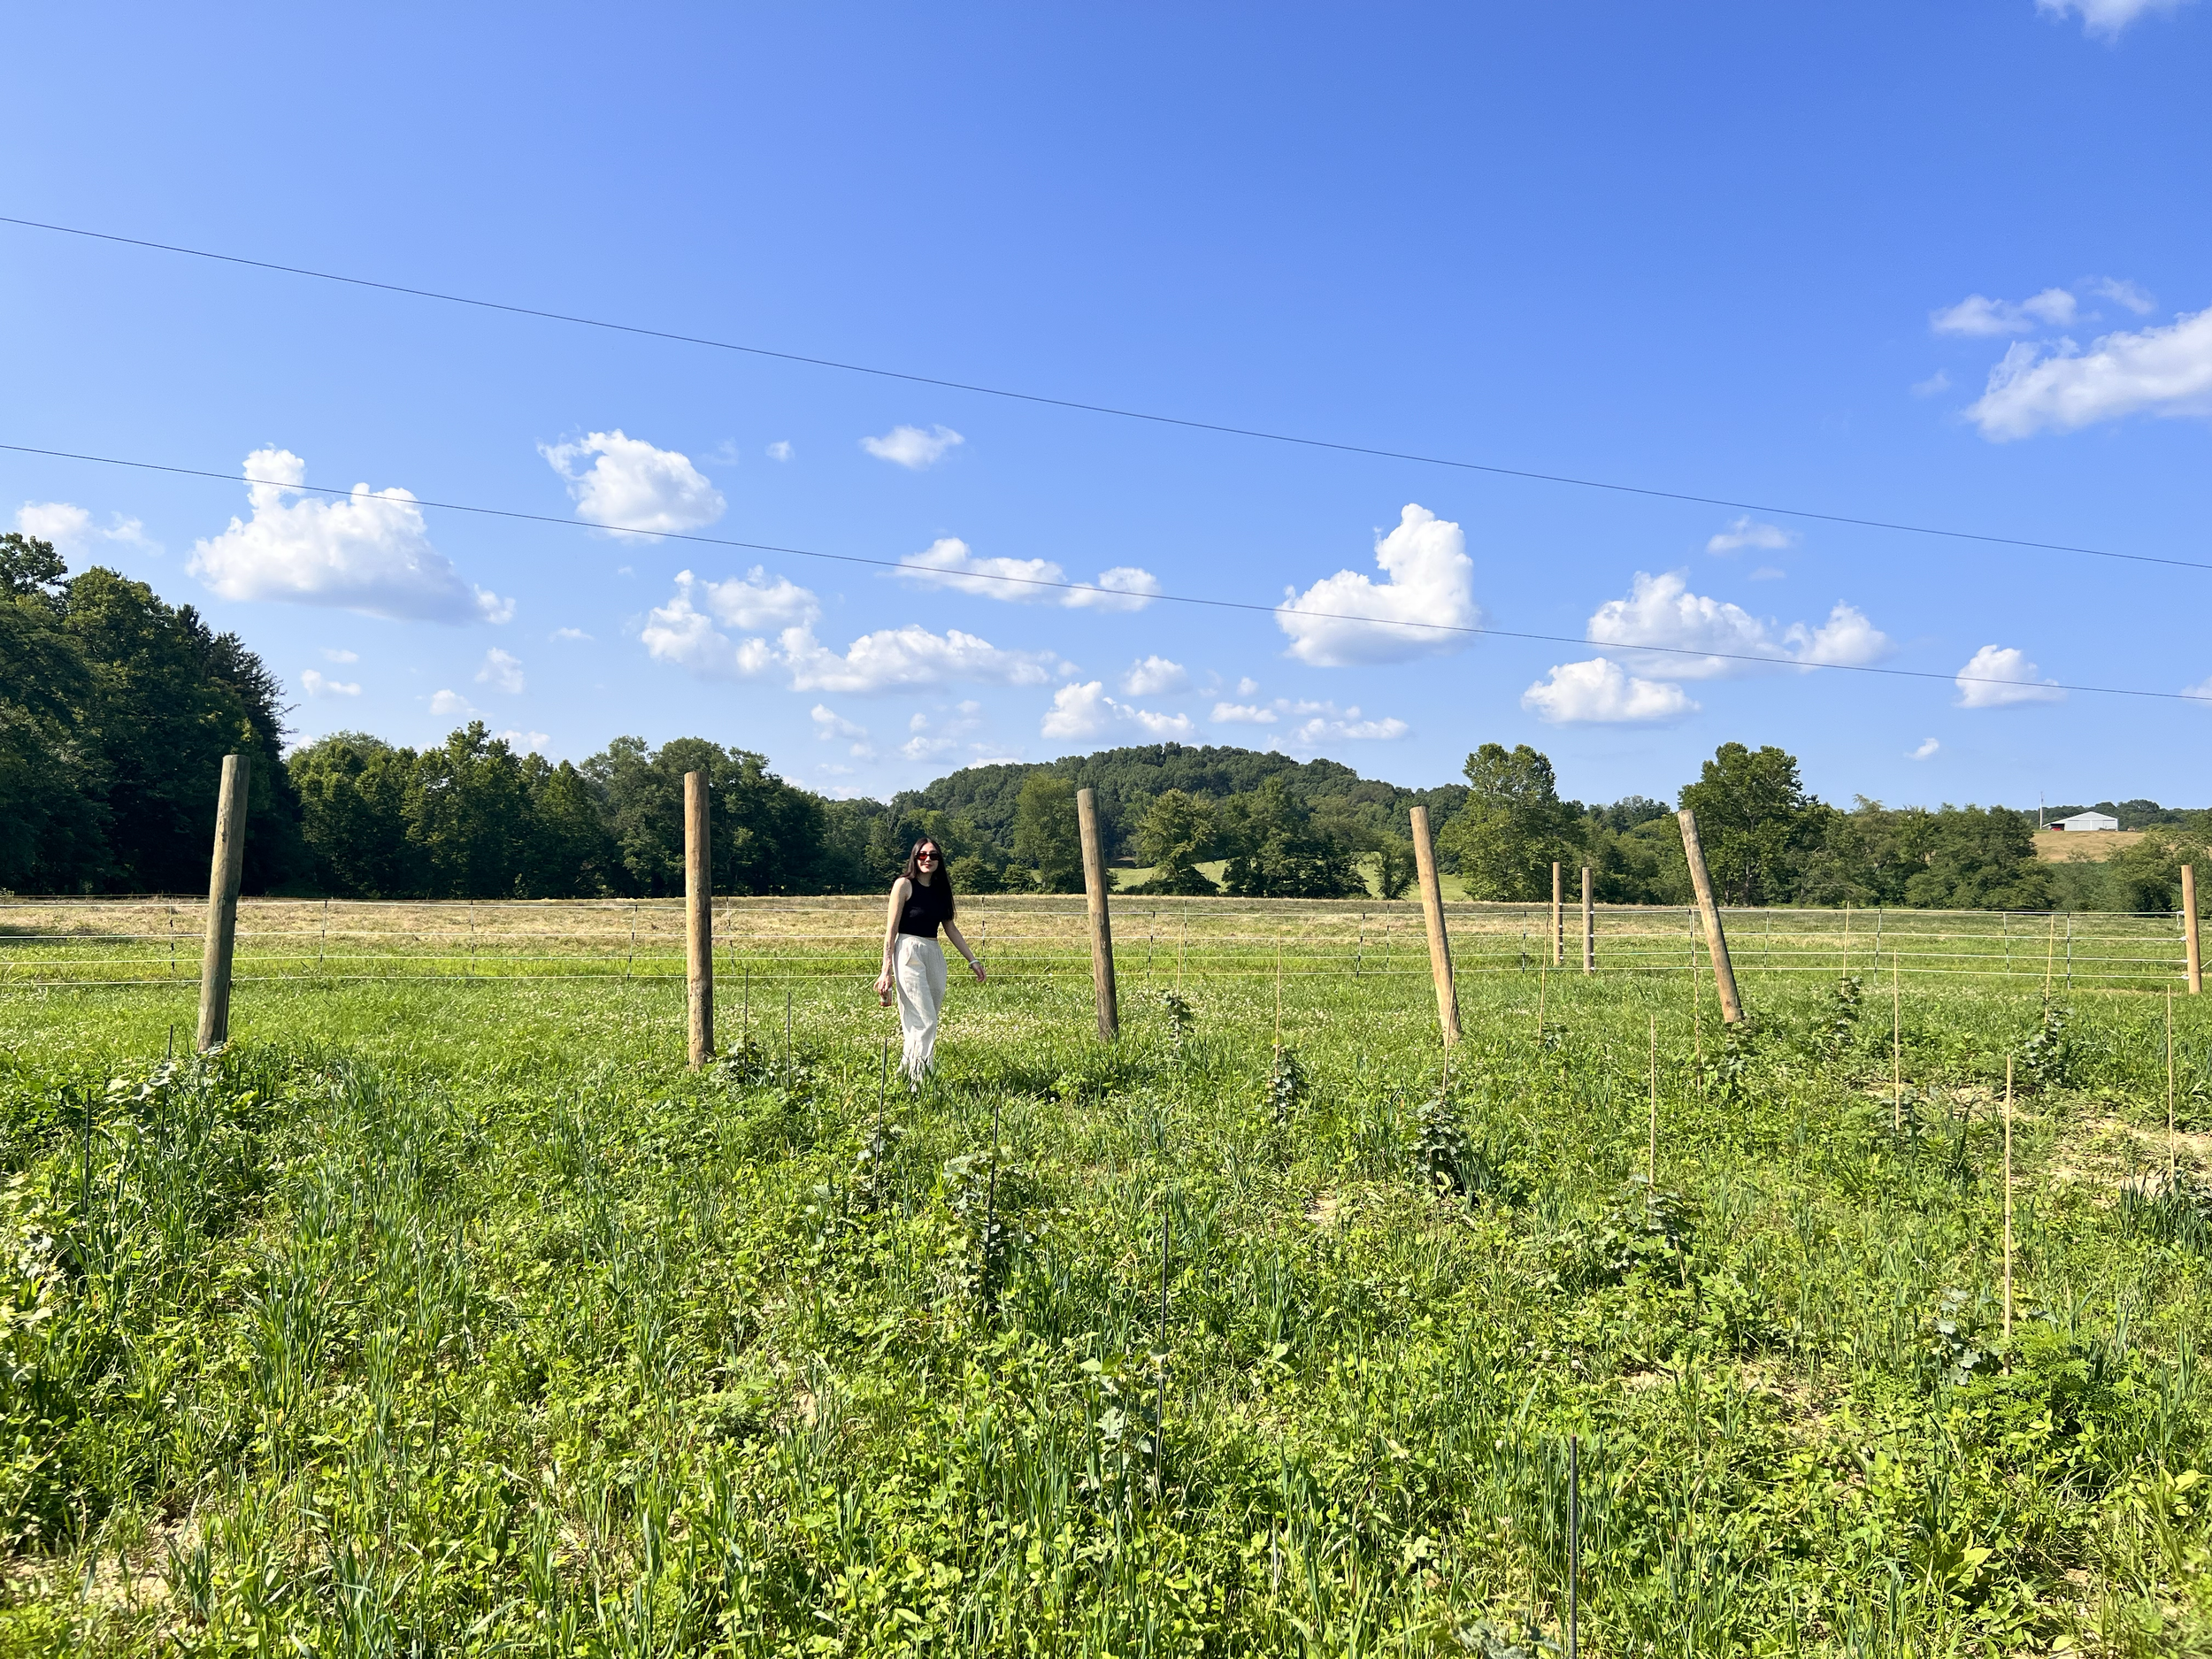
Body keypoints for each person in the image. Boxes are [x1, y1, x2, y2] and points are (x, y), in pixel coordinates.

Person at [875, 838, 984, 1079]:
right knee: (925, 1021)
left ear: (939, 860)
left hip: (933, 953)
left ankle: (906, 1072)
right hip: (907, 951)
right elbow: (891, 930)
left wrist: (972, 960)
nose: (928, 859)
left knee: (927, 1018)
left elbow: (950, 927)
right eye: (922, 855)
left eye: (933, 855)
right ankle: (920, 1080)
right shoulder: (903, 885)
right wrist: (886, 970)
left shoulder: (941, 889)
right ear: (914, 857)